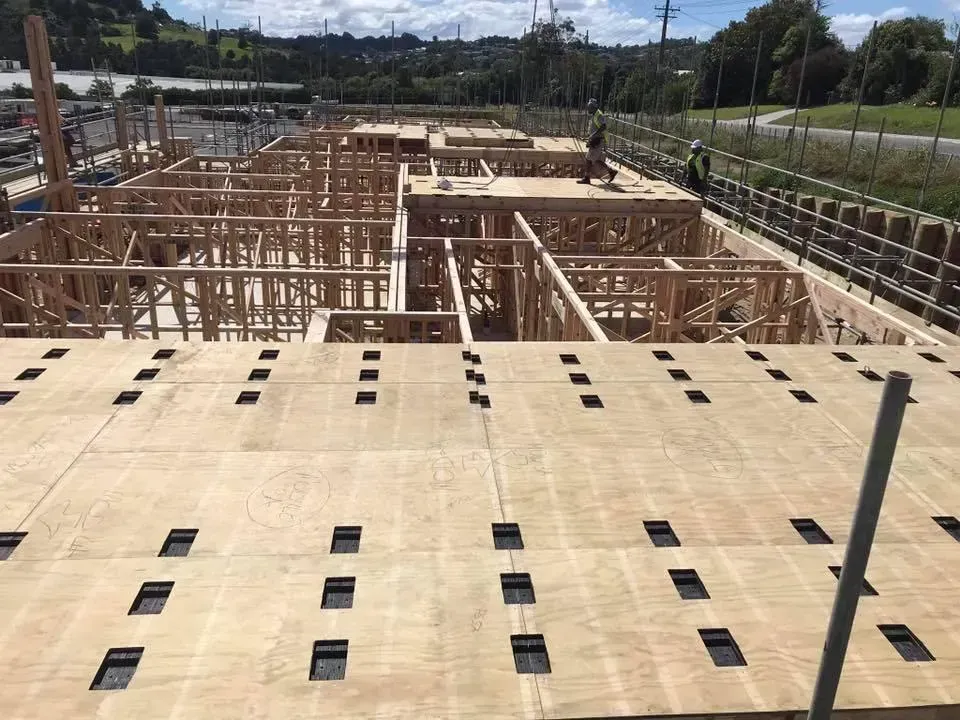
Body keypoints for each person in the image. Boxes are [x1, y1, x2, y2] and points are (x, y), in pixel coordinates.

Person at [577, 98, 616, 185]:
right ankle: (611, 171)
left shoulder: (599, 115)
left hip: (598, 140)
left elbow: (604, 126)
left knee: (588, 159)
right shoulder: (594, 115)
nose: (588, 109)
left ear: (593, 107)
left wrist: (593, 134)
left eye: (589, 107)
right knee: (594, 159)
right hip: (595, 140)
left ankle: (587, 178)